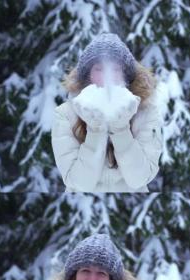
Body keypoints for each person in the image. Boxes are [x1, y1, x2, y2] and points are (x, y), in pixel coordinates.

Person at [51, 33, 163, 192]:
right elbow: (79, 183)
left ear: (125, 74)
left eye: (115, 68)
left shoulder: (146, 113)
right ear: (88, 74)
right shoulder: (65, 115)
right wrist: (95, 130)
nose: (107, 75)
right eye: (99, 68)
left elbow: (139, 178)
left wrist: (121, 129)